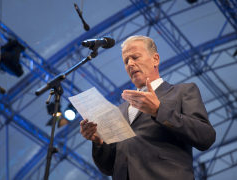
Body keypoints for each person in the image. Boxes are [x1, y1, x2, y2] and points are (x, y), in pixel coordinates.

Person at [80, 35, 216, 180]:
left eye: (135, 57)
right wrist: (99, 142)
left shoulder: (183, 91)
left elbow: (205, 137)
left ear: (155, 59)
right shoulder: (119, 111)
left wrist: (159, 111)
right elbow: (108, 168)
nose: (130, 64)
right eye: (126, 61)